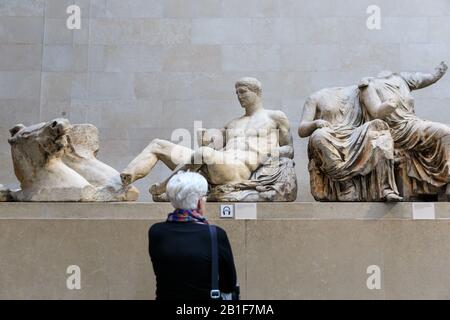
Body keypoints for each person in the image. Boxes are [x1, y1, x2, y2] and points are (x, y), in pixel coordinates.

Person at [120, 77, 296, 202]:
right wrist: (205, 139)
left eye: (243, 92)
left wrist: (272, 154)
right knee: (159, 144)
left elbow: (289, 148)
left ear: (257, 93)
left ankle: (166, 185)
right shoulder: (232, 123)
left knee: (204, 153)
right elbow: (210, 146)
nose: (239, 96)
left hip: (238, 171)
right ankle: (122, 182)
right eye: (236, 93)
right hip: (215, 165)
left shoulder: (275, 117)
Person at [359, 62, 450, 198]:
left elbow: (429, 78)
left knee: (445, 133)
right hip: (395, 131)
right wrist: (388, 106)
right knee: (444, 131)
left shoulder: (402, 79)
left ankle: (446, 179)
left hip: (413, 124)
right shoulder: (368, 85)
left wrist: (438, 73)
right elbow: (376, 112)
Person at [298, 85, 401, 201]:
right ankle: (345, 183)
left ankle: (385, 188)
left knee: (380, 133)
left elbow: (377, 112)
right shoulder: (315, 97)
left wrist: (390, 104)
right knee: (319, 136)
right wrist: (316, 123)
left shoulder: (362, 90)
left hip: (357, 134)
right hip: (330, 135)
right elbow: (302, 130)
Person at [148, 171, 237, 300]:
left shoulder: (156, 232)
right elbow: (229, 283)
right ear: (200, 202)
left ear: (173, 201)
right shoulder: (215, 234)